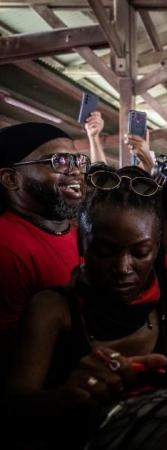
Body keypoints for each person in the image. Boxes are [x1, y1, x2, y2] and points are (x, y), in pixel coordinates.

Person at [5, 165, 167, 447]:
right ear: (82, 245)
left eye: (140, 252)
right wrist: (64, 396)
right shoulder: (52, 310)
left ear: (156, 249)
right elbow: (13, 406)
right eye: (105, 251)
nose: (122, 268)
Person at [0, 123, 89, 358]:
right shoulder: (6, 247)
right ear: (11, 179)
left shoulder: (81, 232)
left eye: (78, 161)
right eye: (58, 161)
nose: (76, 171)